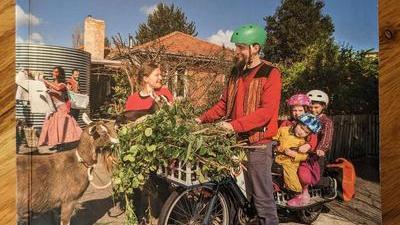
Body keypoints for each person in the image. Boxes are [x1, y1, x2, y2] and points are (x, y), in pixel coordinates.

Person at [197, 24, 281, 225]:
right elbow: (224, 104)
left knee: (262, 197)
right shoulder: (235, 73)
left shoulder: (270, 73)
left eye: (241, 47)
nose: (237, 51)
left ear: (256, 48)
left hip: (258, 142)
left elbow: (265, 113)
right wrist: (201, 118)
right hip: (235, 141)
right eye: (237, 47)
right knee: (232, 191)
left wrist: (234, 126)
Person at [124, 62, 173, 223]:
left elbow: (172, 119)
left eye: (160, 74)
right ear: (146, 78)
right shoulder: (132, 100)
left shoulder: (164, 93)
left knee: (162, 188)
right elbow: (127, 128)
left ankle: (168, 217)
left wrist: (162, 103)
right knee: (139, 191)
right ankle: (142, 218)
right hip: (139, 155)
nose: (161, 77)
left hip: (161, 153)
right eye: (157, 75)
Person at [273, 113, 321, 206]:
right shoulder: (283, 130)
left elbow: (305, 157)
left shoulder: (303, 142)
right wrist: (275, 145)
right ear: (296, 123)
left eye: (306, 132)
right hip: (276, 157)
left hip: (290, 162)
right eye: (301, 128)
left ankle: (298, 194)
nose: (302, 132)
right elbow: (274, 137)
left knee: (290, 175)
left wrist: (295, 154)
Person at [298, 90, 336, 198]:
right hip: (303, 152)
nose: (313, 110)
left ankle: (329, 182)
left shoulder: (326, 121)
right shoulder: (305, 118)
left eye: (316, 107)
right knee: (301, 176)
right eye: (310, 107)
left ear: (323, 106)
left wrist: (322, 148)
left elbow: (326, 137)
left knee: (315, 179)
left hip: (317, 154)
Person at [38, 66, 82, 149]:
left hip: (62, 108)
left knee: (62, 126)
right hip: (54, 108)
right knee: (55, 126)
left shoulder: (62, 84)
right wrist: (38, 78)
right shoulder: (52, 84)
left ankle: (62, 144)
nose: (54, 73)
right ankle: (57, 143)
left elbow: (58, 88)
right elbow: (43, 86)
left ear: (60, 74)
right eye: (53, 72)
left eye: (56, 72)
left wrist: (45, 81)